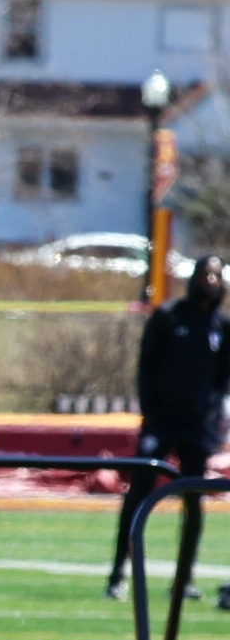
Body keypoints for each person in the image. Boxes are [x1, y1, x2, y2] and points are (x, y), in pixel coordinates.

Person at [108, 255, 230, 600]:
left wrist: (212, 421)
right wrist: (150, 413)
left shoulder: (222, 326)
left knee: (193, 504)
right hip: (161, 422)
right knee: (138, 496)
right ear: (193, 278)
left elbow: (222, 380)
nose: (210, 280)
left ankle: (183, 579)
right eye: (205, 274)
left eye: (216, 275)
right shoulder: (168, 316)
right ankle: (118, 572)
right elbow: (146, 367)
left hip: (197, 427)